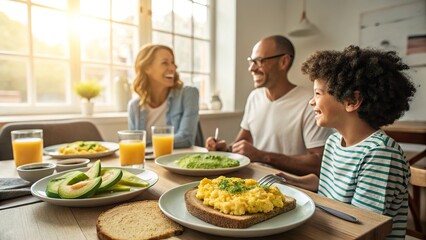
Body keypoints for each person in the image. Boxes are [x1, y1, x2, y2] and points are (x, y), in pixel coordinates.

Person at [278, 45, 416, 239]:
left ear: (352, 100)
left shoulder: (380, 154)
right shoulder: (334, 141)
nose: (311, 102)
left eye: (318, 94)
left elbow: (359, 225)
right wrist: (290, 180)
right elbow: (332, 189)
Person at [205, 35, 333, 176]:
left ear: (283, 62)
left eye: (259, 61)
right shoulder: (254, 97)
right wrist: (224, 149)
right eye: (251, 61)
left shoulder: (310, 102)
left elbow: (319, 163)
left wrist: (263, 156)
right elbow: (242, 144)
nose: (252, 68)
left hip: (291, 188)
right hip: (253, 182)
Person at [128, 44, 199, 148]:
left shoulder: (189, 94)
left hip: (180, 161)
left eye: (173, 62)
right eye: (165, 63)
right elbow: (133, 146)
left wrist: (145, 145)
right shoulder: (135, 106)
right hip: (149, 163)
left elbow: (186, 138)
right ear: (147, 68)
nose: (173, 68)